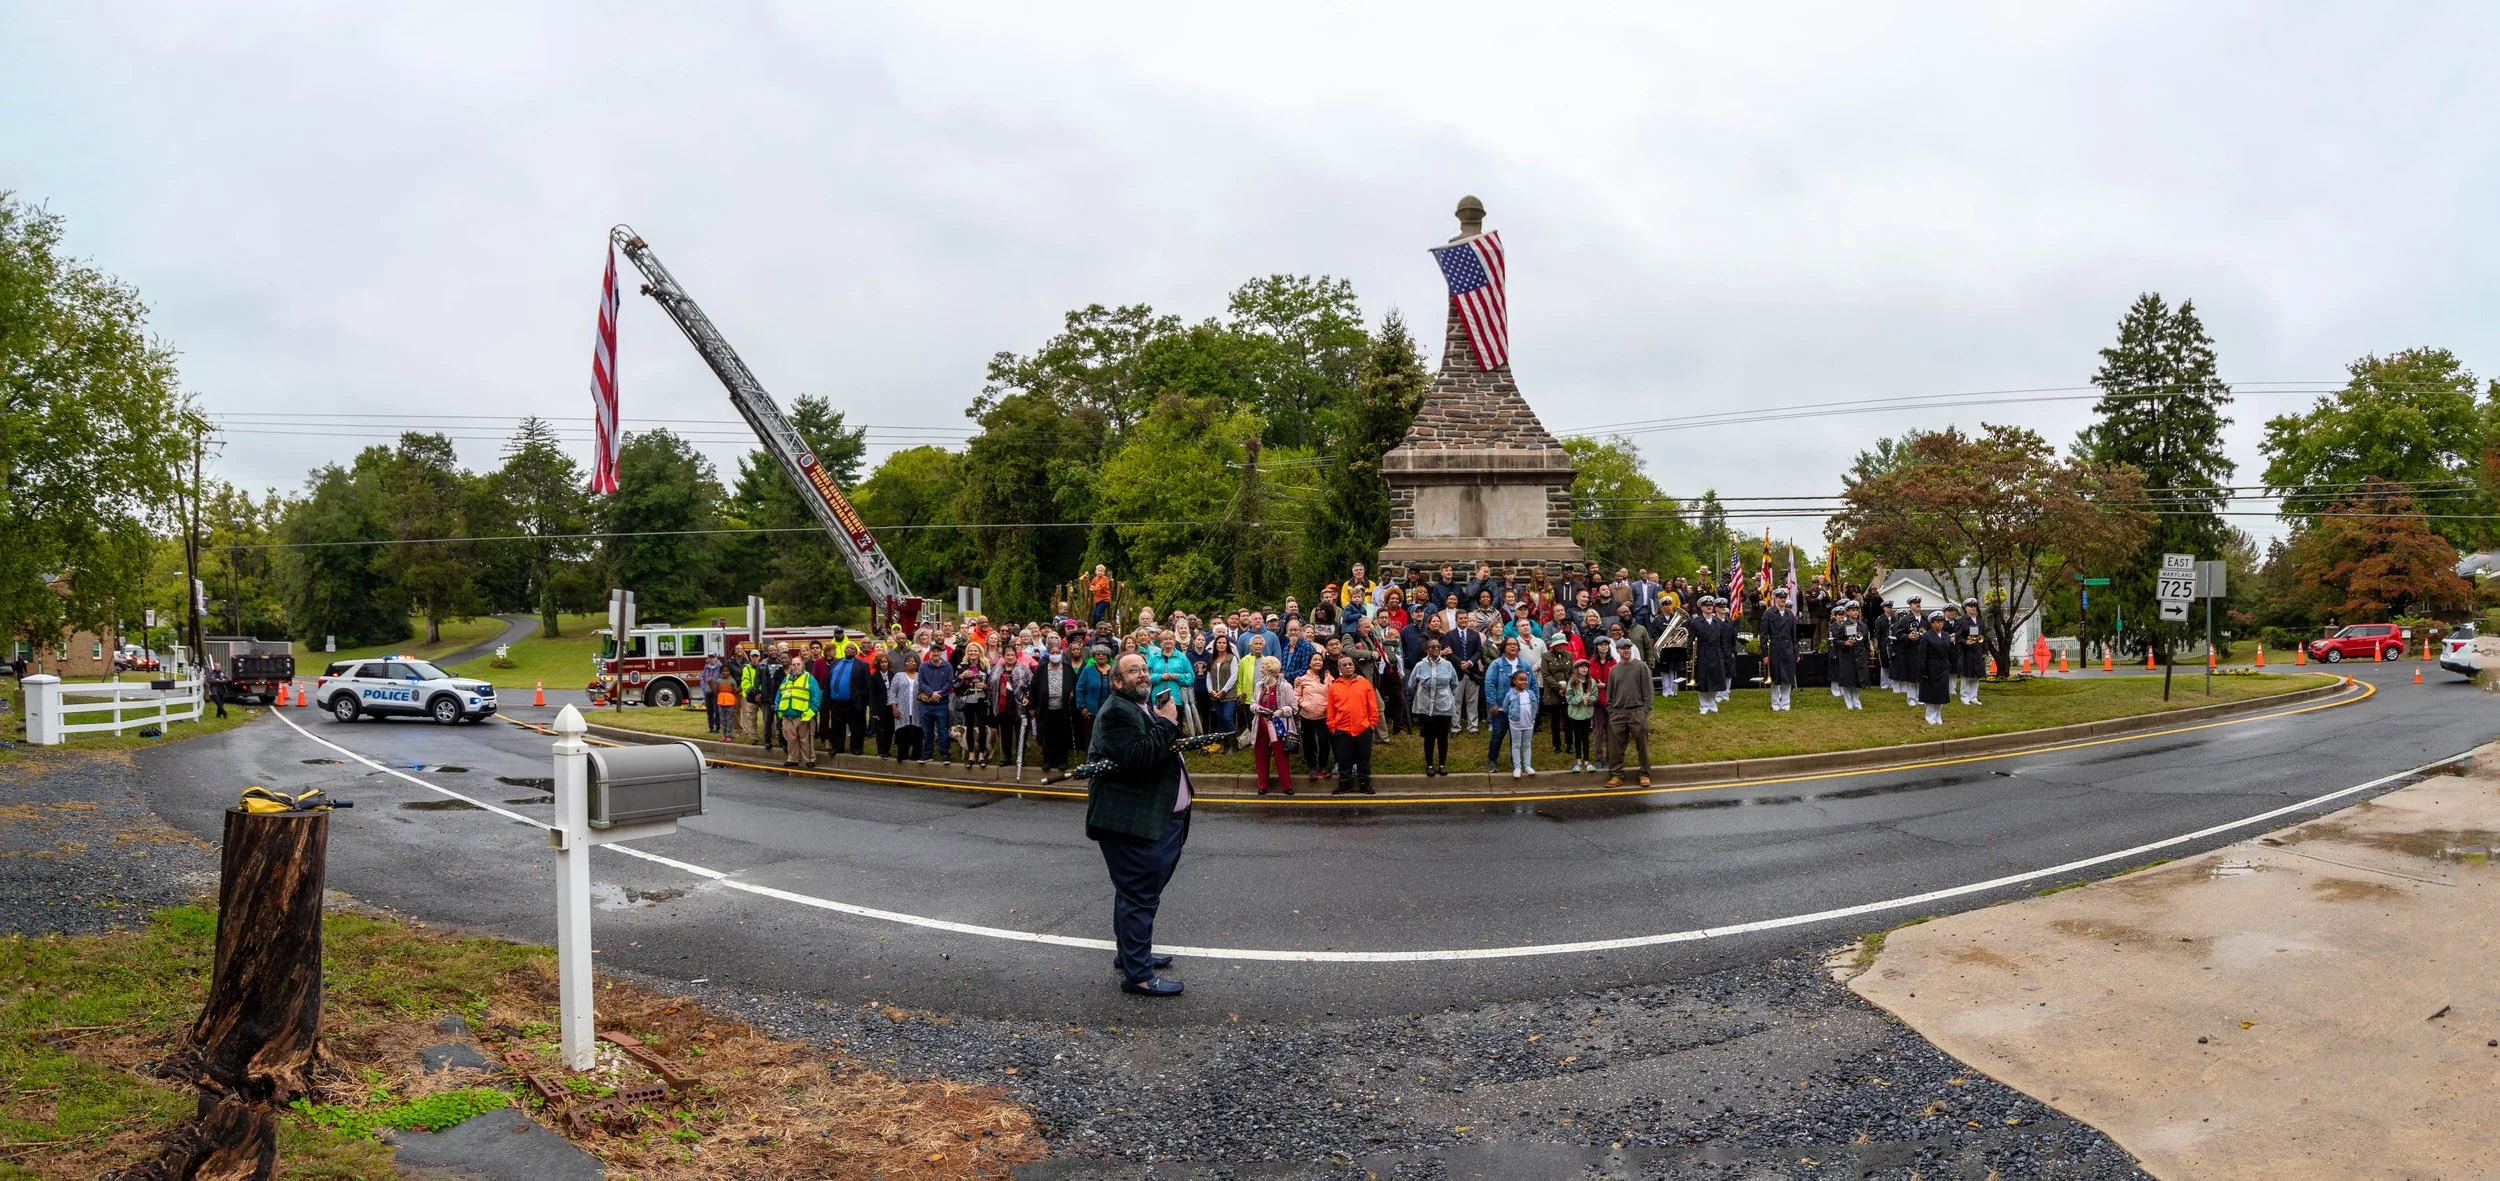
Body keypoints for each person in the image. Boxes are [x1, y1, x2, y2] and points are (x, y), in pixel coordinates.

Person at [1085, 652, 1194, 996]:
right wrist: (1167, 722)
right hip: (1131, 823)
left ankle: (1132, 954)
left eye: (1145, 669)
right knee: (1139, 896)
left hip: (1150, 820)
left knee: (1133, 893)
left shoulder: (1138, 707)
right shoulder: (1117, 712)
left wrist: (1161, 721)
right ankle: (1139, 976)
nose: (1144, 675)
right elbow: (1137, 758)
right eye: (1134, 671)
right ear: (1117, 682)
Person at [1325, 655, 1380, 794]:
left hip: (1363, 727)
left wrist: (1372, 724)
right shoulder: (1334, 687)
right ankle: (1345, 784)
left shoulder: (1364, 683)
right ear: (1339, 669)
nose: (1348, 666)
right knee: (1344, 759)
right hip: (1342, 729)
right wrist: (1332, 727)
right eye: (1345, 665)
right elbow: (1330, 709)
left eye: (1350, 664)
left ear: (1354, 667)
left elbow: (1372, 706)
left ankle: (1364, 784)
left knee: (1364, 758)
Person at [1604, 640, 1655, 787]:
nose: (1625, 651)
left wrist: (1644, 710)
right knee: (1615, 748)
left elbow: (1648, 691)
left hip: (1637, 712)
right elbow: (1610, 693)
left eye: (1628, 648)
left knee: (1642, 746)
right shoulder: (1614, 669)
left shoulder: (1641, 667)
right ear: (1618, 650)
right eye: (1622, 648)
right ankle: (1616, 775)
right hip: (1617, 714)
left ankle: (1645, 774)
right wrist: (1611, 710)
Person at [1482, 636, 1536, 772]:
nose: (1513, 647)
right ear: (1504, 647)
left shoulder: (1524, 665)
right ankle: (1492, 761)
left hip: (1521, 708)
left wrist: (1535, 704)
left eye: (1515, 644)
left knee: (1516, 737)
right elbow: (1489, 684)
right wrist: (1493, 703)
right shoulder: (1496, 664)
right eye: (1510, 644)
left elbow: (1533, 684)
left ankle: (1515, 762)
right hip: (1500, 708)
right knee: (1498, 734)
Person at [1407, 636, 1457, 776]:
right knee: (1429, 737)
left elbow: (1454, 683)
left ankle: (1442, 764)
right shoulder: (1420, 665)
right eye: (1433, 647)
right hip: (1426, 706)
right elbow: (1411, 685)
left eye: (1438, 647)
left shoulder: (1447, 665)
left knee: (1442, 737)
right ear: (1427, 650)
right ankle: (1429, 764)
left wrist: (1445, 694)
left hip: (1443, 705)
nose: (1436, 649)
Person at [1247, 654, 1296, 795]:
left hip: (1278, 726)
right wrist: (1257, 708)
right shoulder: (1259, 686)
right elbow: (1252, 703)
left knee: (1281, 756)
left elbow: (1294, 708)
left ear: (1270, 669)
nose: (1261, 669)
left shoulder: (1285, 686)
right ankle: (1262, 786)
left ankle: (1286, 786)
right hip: (1261, 725)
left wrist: (1281, 711)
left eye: (1263, 667)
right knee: (1260, 756)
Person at [1032, 639, 1077, 772]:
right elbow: (1033, 688)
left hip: (1062, 708)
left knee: (1062, 735)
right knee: (1047, 735)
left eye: (1058, 652)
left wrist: (1073, 692)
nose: (1055, 654)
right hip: (1046, 708)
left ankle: (1062, 760)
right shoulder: (1041, 669)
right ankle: (1047, 760)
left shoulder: (1067, 668)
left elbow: (1075, 684)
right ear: (1049, 654)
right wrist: (1032, 707)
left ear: (1061, 654)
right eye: (1053, 652)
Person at [775, 655, 822, 769]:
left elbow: (816, 696)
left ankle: (809, 759)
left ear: (803, 665)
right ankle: (793, 759)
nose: (796, 666)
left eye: (798, 664)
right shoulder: (786, 679)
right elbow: (779, 695)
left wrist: (811, 711)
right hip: (787, 715)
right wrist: (778, 709)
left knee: (805, 740)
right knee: (790, 740)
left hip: (803, 716)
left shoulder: (809, 678)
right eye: (794, 664)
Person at [1762, 587, 1800, 713]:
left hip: (1788, 647)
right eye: (1780, 598)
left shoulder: (1790, 614)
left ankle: (1786, 702)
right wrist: (1764, 654)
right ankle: (1775, 703)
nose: (1783, 600)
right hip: (1774, 647)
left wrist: (1796, 651)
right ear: (1775, 599)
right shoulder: (1768, 614)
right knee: (1775, 677)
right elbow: (1763, 635)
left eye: (1784, 598)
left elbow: (1794, 635)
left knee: (1787, 677)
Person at [915, 644, 955, 764]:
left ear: (941, 653)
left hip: (941, 704)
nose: (936, 654)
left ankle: (945, 754)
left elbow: (949, 682)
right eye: (934, 651)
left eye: (938, 652)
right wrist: (931, 693)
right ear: (930, 653)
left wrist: (939, 694)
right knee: (927, 731)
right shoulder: (923, 666)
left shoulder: (947, 666)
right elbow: (921, 682)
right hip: (926, 704)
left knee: (943, 730)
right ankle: (927, 754)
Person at [1295, 658, 1333, 780]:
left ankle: (1323, 766)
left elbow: (1334, 692)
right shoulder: (1301, 679)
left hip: (1324, 716)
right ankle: (1312, 766)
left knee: (1323, 741)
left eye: (1320, 660)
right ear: (1309, 663)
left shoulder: (1327, 677)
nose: (1318, 662)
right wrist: (1304, 704)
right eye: (1315, 660)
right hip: (1307, 716)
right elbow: (1296, 695)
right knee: (1308, 742)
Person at [1915, 612, 1955, 725]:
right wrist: (1923, 671)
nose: (1940, 624)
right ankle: (1930, 716)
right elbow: (1922, 655)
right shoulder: (1927, 636)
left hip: (1943, 668)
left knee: (1941, 693)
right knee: (1931, 693)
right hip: (1931, 668)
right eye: (1938, 622)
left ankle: (1938, 715)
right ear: (1932, 624)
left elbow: (1949, 652)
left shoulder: (1946, 636)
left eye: (1942, 622)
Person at [1691, 596, 1729, 715]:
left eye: (1711, 605)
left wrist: (1723, 655)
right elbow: (1690, 641)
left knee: (1714, 679)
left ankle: (1712, 703)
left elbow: (1723, 641)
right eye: (1706, 606)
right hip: (1702, 653)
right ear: (1701, 607)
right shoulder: (1696, 622)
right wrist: (1690, 657)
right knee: (1703, 679)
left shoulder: (1718, 622)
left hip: (1716, 653)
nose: (1709, 607)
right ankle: (1704, 704)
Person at [1830, 601, 1869, 710]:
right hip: (1847, 656)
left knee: (1857, 680)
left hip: (1859, 656)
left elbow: (1866, 643)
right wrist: (1844, 643)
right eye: (1853, 610)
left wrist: (1867, 656)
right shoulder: (1843, 626)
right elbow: (1836, 640)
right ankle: (1849, 703)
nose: (1855, 612)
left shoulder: (1863, 626)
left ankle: (1856, 701)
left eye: (1857, 610)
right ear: (1847, 612)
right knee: (1848, 681)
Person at [1500, 668, 1538, 779]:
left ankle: (1527, 765)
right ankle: (1517, 767)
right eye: (1521, 680)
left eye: (1525, 680)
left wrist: (1532, 717)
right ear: (1514, 681)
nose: (1524, 682)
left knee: (1527, 745)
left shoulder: (1530, 693)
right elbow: (1506, 707)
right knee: (1516, 745)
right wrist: (1512, 716)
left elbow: (1534, 706)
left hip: (1528, 723)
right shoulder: (1510, 694)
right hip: (1516, 724)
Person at [1562, 660, 1597, 773]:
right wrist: (1579, 699)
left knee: (1586, 737)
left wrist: (1589, 699)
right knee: (1577, 737)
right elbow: (1569, 698)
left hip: (1587, 713)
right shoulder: (1572, 682)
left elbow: (1595, 696)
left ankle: (1586, 761)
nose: (1584, 669)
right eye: (1581, 667)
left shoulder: (1591, 681)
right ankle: (1578, 761)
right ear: (1576, 669)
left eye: (1586, 667)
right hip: (1575, 714)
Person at [1959, 597, 1988, 705]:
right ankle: (1964, 697)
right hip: (1967, 652)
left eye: (1974, 606)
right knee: (1966, 675)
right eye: (1970, 607)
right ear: (1965, 608)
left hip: (1978, 651)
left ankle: (1973, 697)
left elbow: (1984, 636)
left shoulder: (1980, 621)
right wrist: (1965, 642)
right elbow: (1958, 637)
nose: (1973, 609)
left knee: (1976, 675)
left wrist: (1985, 651)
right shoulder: (1961, 621)